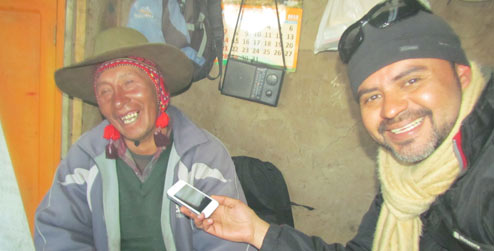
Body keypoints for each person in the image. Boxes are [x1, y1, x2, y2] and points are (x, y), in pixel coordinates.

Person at [181, 0, 494, 250]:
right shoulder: (400, 179)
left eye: (411, 80)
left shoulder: (483, 179)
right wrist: (256, 230)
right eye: (372, 96)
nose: (392, 108)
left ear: (462, 76)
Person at [34, 27, 254, 251]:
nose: (119, 101)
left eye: (129, 83)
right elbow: (57, 232)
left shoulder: (203, 157)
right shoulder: (85, 158)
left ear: (158, 90)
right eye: (105, 91)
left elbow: (228, 242)